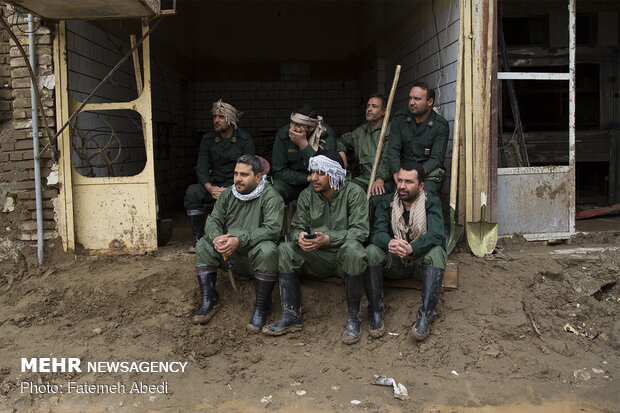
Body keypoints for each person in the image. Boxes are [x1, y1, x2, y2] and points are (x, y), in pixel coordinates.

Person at [263, 150, 369, 344]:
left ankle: (354, 317)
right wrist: (300, 237)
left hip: (342, 259)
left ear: (334, 173)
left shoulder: (354, 193)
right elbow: (295, 228)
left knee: (354, 249)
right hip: (316, 256)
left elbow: (360, 232)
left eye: (320, 173)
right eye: (312, 172)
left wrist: (328, 239)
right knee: (286, 249)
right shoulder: (307, 195)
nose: (313, 178)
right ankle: (291, 316)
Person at [192, 155, 284, 333]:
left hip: (254, 259)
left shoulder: (271, 196)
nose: (237, 179)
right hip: (229, 256)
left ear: (258, 177)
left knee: (268, 249)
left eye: (244, 174)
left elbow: (272, 229)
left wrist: (238, 239)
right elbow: (213, 220)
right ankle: (209, 300)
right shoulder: (228, 194)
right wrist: (216, 237)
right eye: (235, 174)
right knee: (203, 245)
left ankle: (261, 308)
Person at [366, 161, 447, 341]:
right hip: (395, 263)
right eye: (400, 181)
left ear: (421, 185)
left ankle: (426, 315)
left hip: (419, 264)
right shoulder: (387, 202)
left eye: (409, 182)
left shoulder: (430, 202)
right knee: (372, 251)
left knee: (437, 253)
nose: (402, 186)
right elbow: (376, 233)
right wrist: (390, 244)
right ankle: (375, 313)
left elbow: (436, 234)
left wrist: (412, 248)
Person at [184, 100, 255, 245]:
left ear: (231, 119)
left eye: (221, 117)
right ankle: (199, 237)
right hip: (214, 185)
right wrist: (210, 188)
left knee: (249, 193)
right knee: (192, 192)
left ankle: (236, 236)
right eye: (215, 116)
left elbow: (250, 170)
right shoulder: (208, 139)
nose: (216, 120)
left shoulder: (244, 139)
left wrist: (231, 190)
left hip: (236, 186)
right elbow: (201, 167)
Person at [387, 82, 449, 195]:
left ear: (430, 102)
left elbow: (436, 158)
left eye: (417, 99)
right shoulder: (400, 119)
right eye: (410, 98)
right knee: (386, 197)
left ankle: (429, 213)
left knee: (425, 196)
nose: (411, 102)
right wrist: (397, 174)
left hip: (427, 173)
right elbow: (393, 150)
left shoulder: (440, 125)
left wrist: (416, 176)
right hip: (402, 172)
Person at [271, 104, 336, 203]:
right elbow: (279, 171)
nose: (292, 128)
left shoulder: (325, 135)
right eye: (291, 122)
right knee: (274, 190)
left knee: (315, 191)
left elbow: (325, 170)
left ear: (311, 128)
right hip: (292, 182)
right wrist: (306, 178)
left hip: (316, 181)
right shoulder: (283, 134)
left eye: (298, 125)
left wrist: (303, 145)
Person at [337, 93, 392, 198]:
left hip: (384, 180)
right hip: (364, 179)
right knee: (345, 190)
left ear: (384, 111)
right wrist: (341, 153)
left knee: (376, 199)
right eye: (368, 106)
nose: (369, 109)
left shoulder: (389, 130)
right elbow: (341, 140)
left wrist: (380, 178)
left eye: (374, 106)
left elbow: (388, 158)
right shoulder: (360, 132)